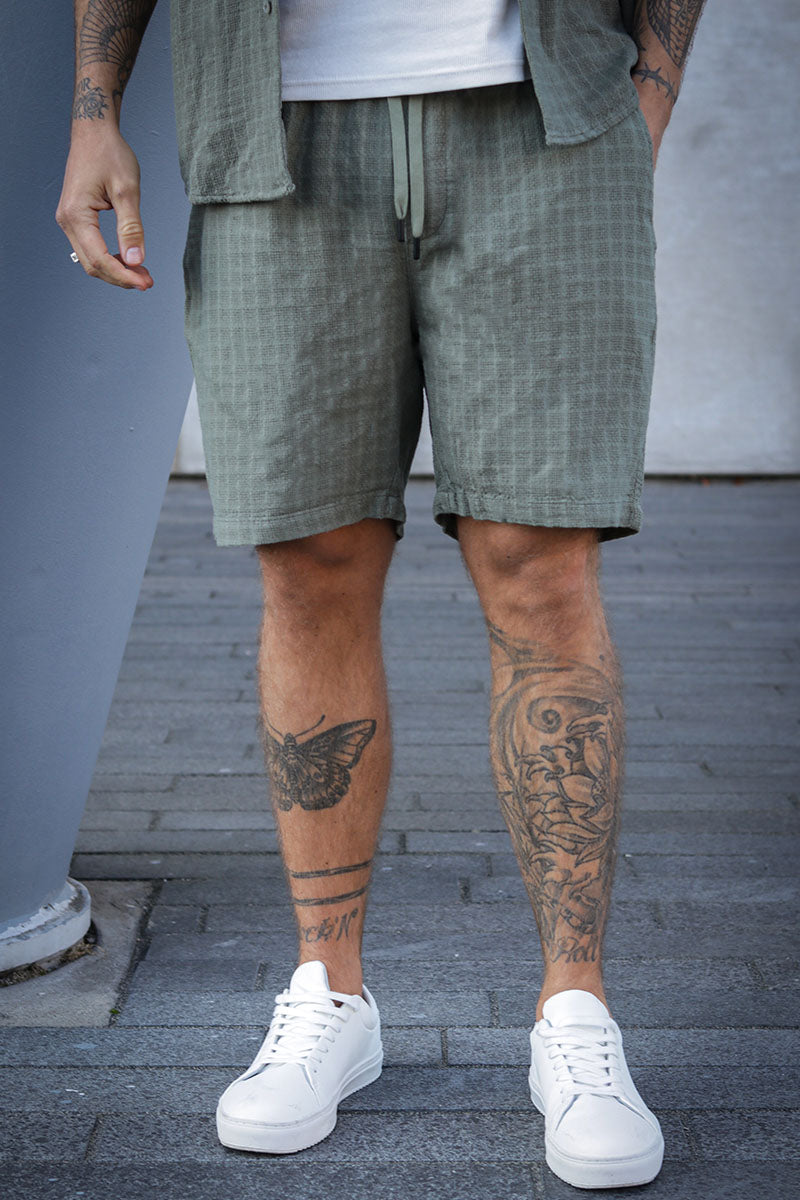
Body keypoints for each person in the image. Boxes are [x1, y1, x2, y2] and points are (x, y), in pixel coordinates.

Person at [57, 0, 707, 1189]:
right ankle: (330, 995)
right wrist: (92, 112)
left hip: (543, 117)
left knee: (540, 568)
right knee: (309, 565)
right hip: (272, 131)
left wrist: (646, 97)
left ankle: (574, 1010)